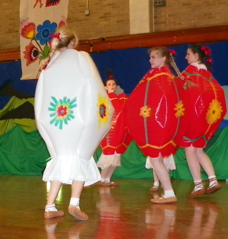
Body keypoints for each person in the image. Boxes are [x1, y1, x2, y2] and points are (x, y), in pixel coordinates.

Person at [35, 26, 113, 220]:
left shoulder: (49, 65)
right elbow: (92, 84)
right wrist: (104, 112)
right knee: (81, 157)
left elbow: (41, 99)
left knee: (61, 161)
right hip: (79, 117)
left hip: (56, 119)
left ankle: (50, 206)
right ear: (72, 43)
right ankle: (74, 203)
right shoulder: (81, 58)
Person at [124, 47, 188, 204]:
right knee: (156, 159)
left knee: (155, 158)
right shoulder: (162, 76)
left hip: (159, 126)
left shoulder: (162, 78)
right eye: (150, 57)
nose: (150, 60)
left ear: (163, 59)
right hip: (159, 124)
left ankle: (169, 193)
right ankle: (168, 192)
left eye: (153, 57)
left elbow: (161, 103)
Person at [178, 45, 226, 198]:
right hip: (204, 122)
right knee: (198, 150)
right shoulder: (209, 78)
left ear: (196, 56)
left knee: (190, 150)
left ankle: (198, 184)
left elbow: (178, 91)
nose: (186, 57)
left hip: (192, 119)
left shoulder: (189, 74)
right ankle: (212, 180)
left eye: (188, 54)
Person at [97, 71, 131, 186]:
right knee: (109, 154)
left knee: (116, 155)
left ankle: (107, 179)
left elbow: (124, 109)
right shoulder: (104, 99)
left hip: (119, 130)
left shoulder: (119, 98)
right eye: (109, 85)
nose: (111, 86)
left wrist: (120, 95)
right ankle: (102, 179)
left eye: (113, 85)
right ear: (105, 87)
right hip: (109, 132)